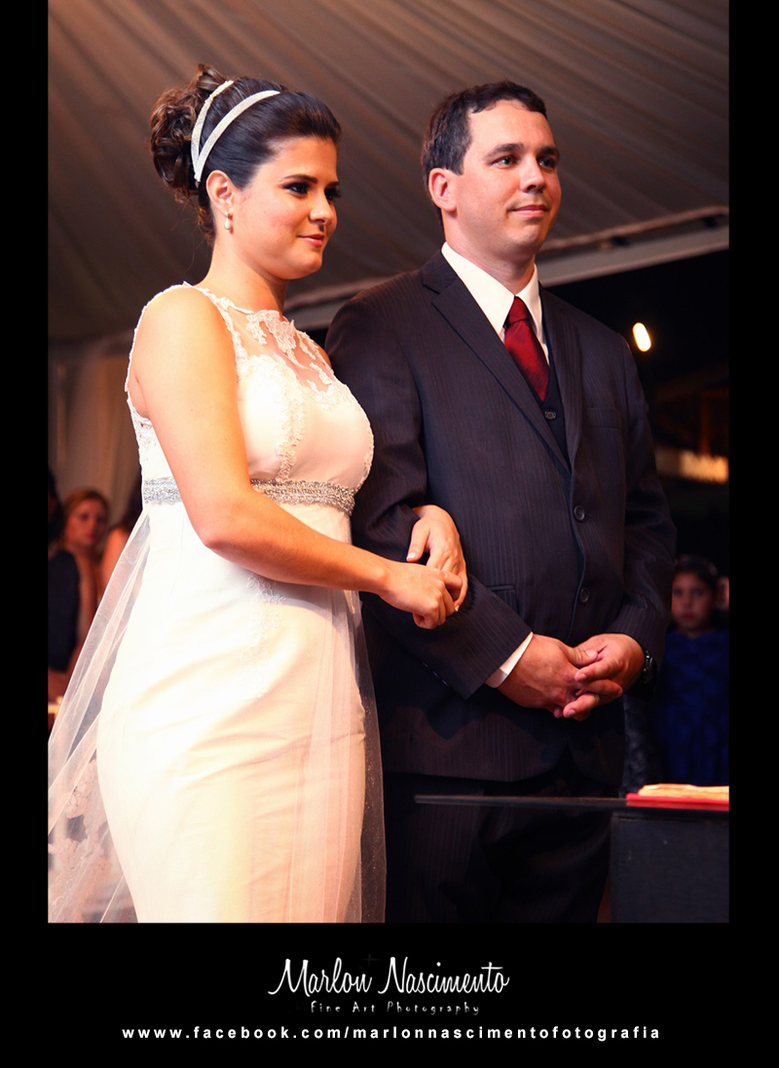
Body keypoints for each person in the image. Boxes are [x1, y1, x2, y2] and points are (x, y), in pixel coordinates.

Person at [48, 66, 463, 924]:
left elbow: (332, 497)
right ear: (224, 194)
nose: (325, 211)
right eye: (299, 187)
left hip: (317, 701)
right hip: (206, 702)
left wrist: (429, 517)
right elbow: (225, 516)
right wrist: (389, 578)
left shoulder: (310, 351)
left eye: (331, 191)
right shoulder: (181, 318)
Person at [327, 80, 676, 923]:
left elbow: (644, 522)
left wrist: (633, 641)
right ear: (442, 187)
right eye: (508, 159)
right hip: (448, 751)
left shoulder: (600, 349)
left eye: (547, 161)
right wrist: (509, 658)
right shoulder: (381, 323)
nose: (535, 178)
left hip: (586, 752)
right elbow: (380, 520)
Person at [650, 555, 729, 786]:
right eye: (677, 593)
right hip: (670, 740)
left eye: (698, 592)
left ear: (716, 596)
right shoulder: (657, 645)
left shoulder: (724, 643)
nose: (687, 602)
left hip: (719, 741)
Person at [48, 488, 109, 704]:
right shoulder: (57, 564)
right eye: (84, 517)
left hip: (92, 669)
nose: (92, 525)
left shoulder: (107, 566)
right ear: (66, 519)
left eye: (100, 519)